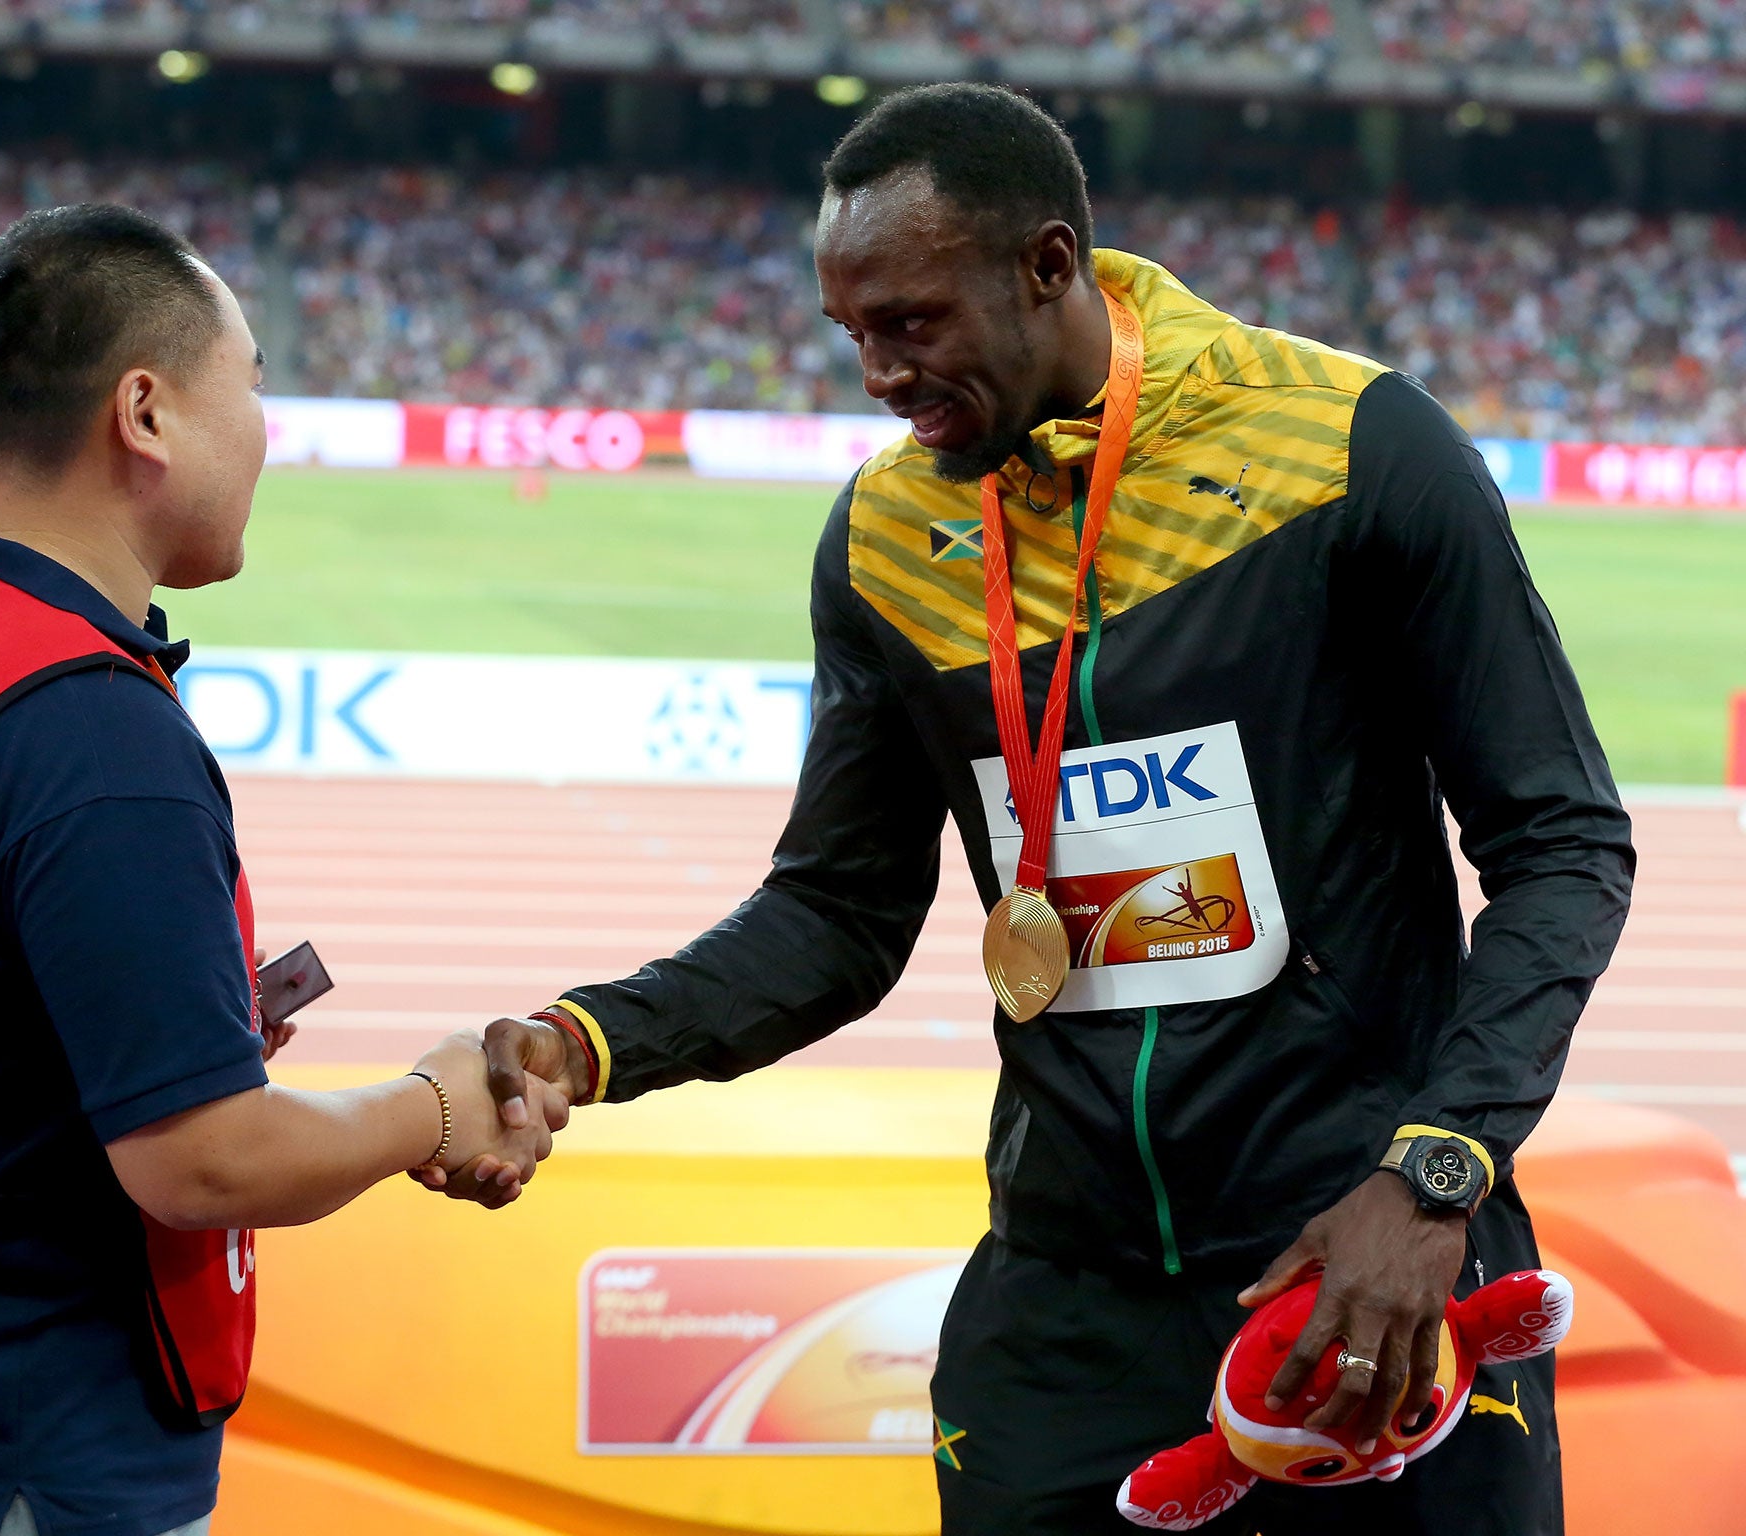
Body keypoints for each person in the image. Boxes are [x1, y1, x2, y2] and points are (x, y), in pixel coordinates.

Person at [460, 84, 1634, 1534]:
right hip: (1068, 1303)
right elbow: (837, 912)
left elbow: (1564, 841)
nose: (879, 375)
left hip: (1367, 1262)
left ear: (1047, 263)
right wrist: (589, 1039)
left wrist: (1436, 1174)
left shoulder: (1349, 445)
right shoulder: (889, 540)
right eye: (853, 334)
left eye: (912, 322)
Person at [0, 204, 563, 1536]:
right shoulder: (87, 731)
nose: (269, 434)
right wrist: (439, 1103)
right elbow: (206, 1165)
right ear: (147, 414)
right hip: (6, 1455)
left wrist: (163, 1015)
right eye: (253, 388)